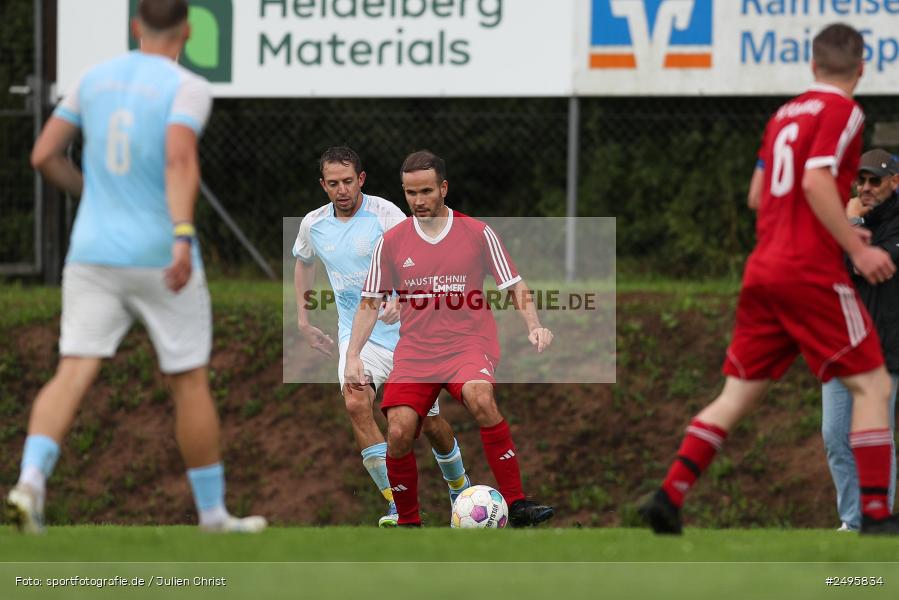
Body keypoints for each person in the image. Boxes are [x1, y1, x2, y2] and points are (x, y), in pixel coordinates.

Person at [5, 0, 265, 534]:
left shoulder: (94, 78)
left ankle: (30, 483)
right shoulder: (187, 86)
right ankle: (213, 515)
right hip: (157, 253)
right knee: (188, 380)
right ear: (188, 31)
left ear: (134, 26)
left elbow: (43, 155)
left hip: (92, 253)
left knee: (72, 371)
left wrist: (90, 190)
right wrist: (183, 234)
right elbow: (178, 157)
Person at [639, 23, 899, 535]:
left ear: (812, 65)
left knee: (735, 395)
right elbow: (814, 178)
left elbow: (759, 193)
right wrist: (853, 247)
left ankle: (669, 496)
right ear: (862, 67)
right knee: (872, 384)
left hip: (763, 270)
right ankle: (874, 517)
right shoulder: (844, 111)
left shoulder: (782, 115)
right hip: (809, 270)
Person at [345, 150, 555, 527]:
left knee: (480, 396)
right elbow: (369, 301)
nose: (419, 201)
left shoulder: (477, 232)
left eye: (426, 191)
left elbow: (514, 284)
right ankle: (409, 524)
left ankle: (518, 504)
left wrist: (534, 325)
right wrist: (352, 355)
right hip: (415, 352)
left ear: (443, 188)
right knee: (399, 430)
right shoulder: (391, 242)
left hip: (468, 344)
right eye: (410, 193)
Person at [293, 146, 471, 527]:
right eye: (333, 183)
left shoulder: (386, 214)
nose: (341, 190)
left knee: (427, 424)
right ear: (322, 185)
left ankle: (459, 487)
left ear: (361, 179)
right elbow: (303, 263)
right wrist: (304, 321)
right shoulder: (313, 224)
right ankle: (397, 502)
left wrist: (403, 300)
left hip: (408, 336)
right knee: (357, 404)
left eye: (348, 182)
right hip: (358, 337)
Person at [823, 149, 899, 531]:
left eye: (875, 180)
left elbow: (869, 266)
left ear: (894, 182)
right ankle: (851, 523)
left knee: (875, 437)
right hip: (841, 346)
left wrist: (851, 221)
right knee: (835, 435)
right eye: (862, 181)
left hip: (884, 350)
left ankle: (874, 523)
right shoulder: (843, 218)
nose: (866, 188)